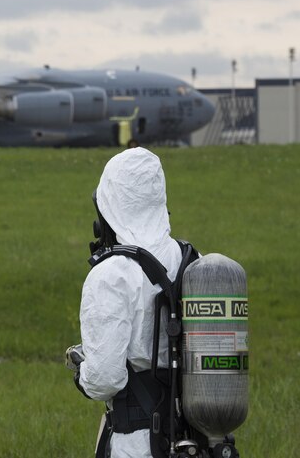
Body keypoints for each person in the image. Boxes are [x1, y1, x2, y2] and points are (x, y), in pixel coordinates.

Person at [70, 147, 188, 458]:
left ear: (108, 206)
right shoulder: (189, 259)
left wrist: (81, 372)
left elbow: (104, 379)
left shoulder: (111, 274)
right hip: (191, 438)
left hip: (135, 443)